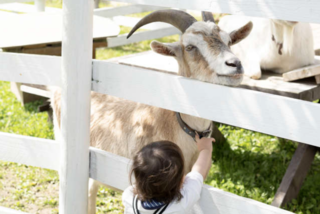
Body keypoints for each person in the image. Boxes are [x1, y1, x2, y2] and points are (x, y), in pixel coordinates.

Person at [122, 133, 215, 214]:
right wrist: (205, 149)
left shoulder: (128, 197)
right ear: (181, 181)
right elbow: (198, 172)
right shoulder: (180, 205)